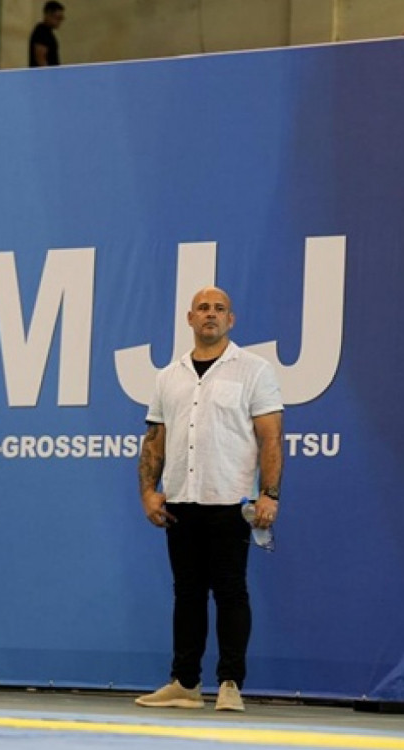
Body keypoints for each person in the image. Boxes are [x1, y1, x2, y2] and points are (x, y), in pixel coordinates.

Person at [134, 286, 284, 712]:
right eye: (203, 308)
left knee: (231, 593)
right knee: (187, 594)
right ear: (189, 319)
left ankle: (230, 684)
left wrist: (269, 493)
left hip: (231, 500)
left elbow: (270, 437)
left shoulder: (253, 370)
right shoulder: (169, 376)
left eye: (219, 309)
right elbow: (154, 440)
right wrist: (148, 490)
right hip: (181, 500)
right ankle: (184, 683)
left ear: (231, 320)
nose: (211, 315)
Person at [29, 1, 65, 67]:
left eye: (61, 19)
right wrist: (48, 75)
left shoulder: (49, 33)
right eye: (58, 18)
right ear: (48, 14)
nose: (60, 21)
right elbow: (40, 58)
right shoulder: (41, 31)